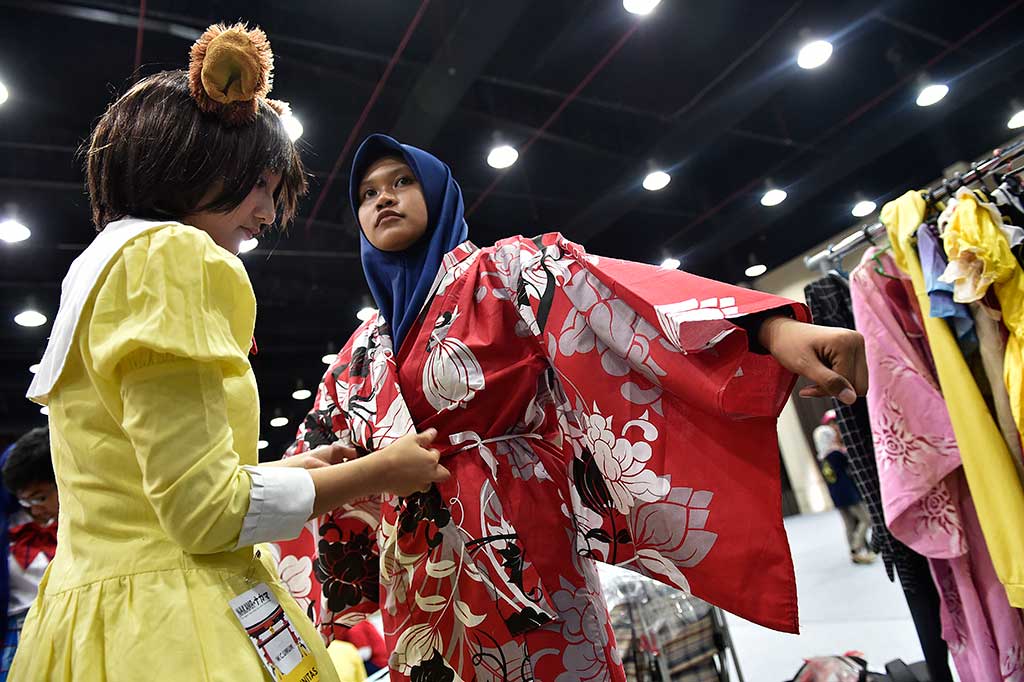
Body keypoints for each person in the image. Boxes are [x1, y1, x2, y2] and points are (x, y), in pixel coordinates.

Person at [273, 133, 869, 681]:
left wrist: (772, 332)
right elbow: (311, 461)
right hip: (419, 569)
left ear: (437, 192)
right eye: (367, 193)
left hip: (521, 533)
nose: (383, 198)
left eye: (402, 181)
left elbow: (620, 302)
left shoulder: (505, 273)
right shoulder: (358, 354)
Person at [12, 26, 447, 682]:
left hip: (97, 618)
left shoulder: (99, 266)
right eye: (260, 186)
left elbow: (147, 484)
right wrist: (377, 473)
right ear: (194, 162)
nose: (268, 214)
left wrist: (291, 468)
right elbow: (206, 514)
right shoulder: (172, 256)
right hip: (174, 626)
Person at [0, 428, 58, 680]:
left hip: (68, 626)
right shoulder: (9, 527)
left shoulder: (82, 524)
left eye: (40, 498)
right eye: (27, 501)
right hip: (17, 634)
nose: (36, 509)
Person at [814, 413, 876, 565]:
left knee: (849, 524)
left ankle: (855, 552)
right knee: (866, 519)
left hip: (837, 496)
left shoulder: (822, 457)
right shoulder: (836, 454)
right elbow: (851, 460)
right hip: (849, 493)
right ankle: (856, 548)